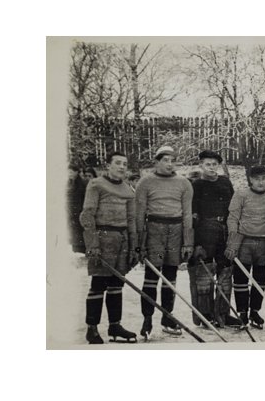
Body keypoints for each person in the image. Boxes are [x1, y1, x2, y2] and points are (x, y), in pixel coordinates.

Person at [135, 145, 194, 339]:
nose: (170, 164)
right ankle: (147, 317)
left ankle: (167, 317)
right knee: (152, 275)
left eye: (172, 160)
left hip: (175, 234)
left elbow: (187, 214)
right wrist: (140, 243)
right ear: (157, 161)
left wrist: (188, 241)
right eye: (165, 160)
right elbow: (140, 215)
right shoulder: (146, 183)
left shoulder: (184, 183)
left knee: (170, 276)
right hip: (155, 234)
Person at [80, 151, 138, 344]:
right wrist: (92, 244)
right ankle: (92, 328)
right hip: (102, 239)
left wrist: (133, 246)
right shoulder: (96, 185)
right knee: (98, 284)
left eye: (125, 164)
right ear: (108, 166)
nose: (122, 167)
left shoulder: (128, 190)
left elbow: (131, 220)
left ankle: (115, 326)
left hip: (121, 240)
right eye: (118, 163)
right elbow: (87, 215)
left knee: (117, 284)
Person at [188, 150, 239, 328]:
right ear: (201, 165)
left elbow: (234, 209)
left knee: (225, 272)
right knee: (204, 273)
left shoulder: (225, 182)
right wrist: (196, 243)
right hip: (205, 231)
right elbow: (191, 215)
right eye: (208, 164)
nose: (211, 168)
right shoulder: (196, 185)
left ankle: (223, 314)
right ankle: (204, 315)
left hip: (224, 230)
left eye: (214, 164)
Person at [224, 165, 265, 329]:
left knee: (259, 279)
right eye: (256, 179)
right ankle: (242, 313)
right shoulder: (241, 194)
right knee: (241, 279)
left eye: (264, 178)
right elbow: (232, 219)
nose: (261, 182)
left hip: (264, 242)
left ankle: (255, 311)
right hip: (244, 241)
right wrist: (232, 243)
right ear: (250, 180)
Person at [67, 164, 87, 254]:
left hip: (80, 212)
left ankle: (80, 251)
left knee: (80, 235)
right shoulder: (69, 183)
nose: (69, 174)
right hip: (72, 213)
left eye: (71, 172)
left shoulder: (82, 183)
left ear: (76, 172)